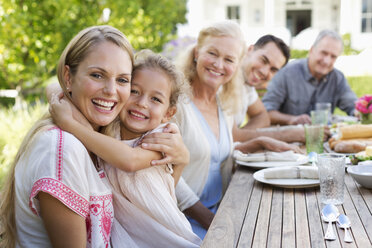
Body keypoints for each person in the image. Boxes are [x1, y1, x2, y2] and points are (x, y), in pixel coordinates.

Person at [0, 25, 187, 247]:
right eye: (97, 75)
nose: (110, 90)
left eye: (122, 80)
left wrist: (182, 159)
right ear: (68, 77)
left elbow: (155, 193)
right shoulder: (62, 148)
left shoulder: (100, 138)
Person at [49, 49, 201, 247]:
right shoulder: (110, 128)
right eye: (134, 91)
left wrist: (70, 124)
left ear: (168, 113)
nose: (141, 103)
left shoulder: (162, 137)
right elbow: (53, 86)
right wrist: (58, 97)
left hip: (167, 239)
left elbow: (129, 160)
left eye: (155, 99)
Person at [172, 20, 302, 240]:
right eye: (212, 53)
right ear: (196, 53)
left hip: (219, 209)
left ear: (236, 65)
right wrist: (215, 223)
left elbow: (217, 151)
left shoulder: (224, 101)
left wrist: (260, 143)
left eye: (229, 59)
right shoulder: (176, 102)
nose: (219, 65)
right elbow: (163, 174)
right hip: (182, 221)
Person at [262, 29, 358, 125]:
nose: (327, 61)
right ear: (311, 50)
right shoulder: (286, 73)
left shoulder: (337, 78)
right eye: (323, 53)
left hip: (324, 137)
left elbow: (354, 106)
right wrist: (292, 119)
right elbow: (266, 112)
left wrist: (360, 111)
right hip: (288, 137)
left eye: (333, 56)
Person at [234, 34, 290, 129]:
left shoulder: (247, 85)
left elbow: (263, 117)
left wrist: (242, 134)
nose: (264, 72)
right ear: (250, 50)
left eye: (273, 69)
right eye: (263, 60)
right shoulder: (225, 77)